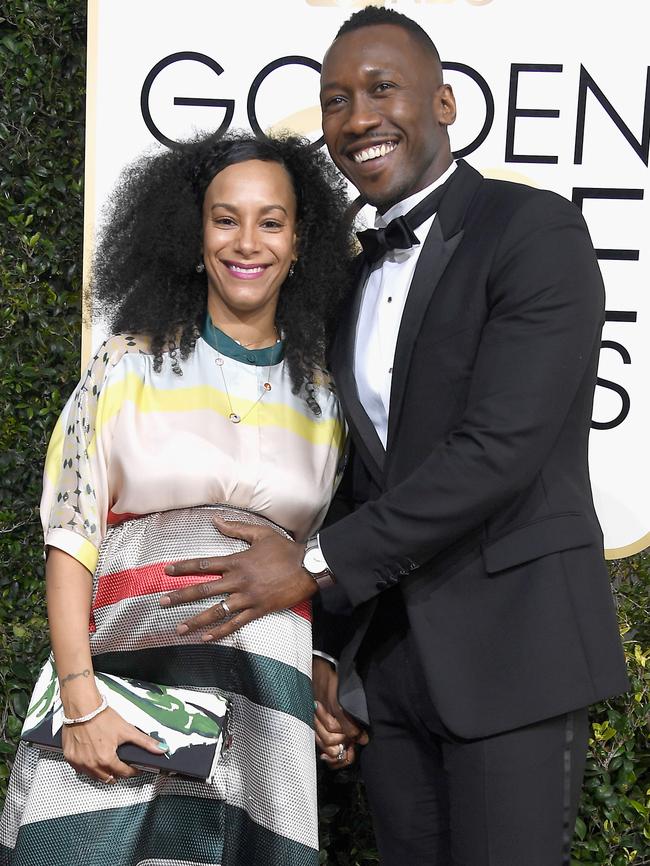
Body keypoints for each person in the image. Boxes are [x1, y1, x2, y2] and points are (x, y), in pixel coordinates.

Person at [160, 8, 630, 866]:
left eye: (382, 89)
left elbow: (499, 452)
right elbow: (355, 476)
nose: (357, 119)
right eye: (335, 100)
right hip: (392, 674)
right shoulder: (342, 272)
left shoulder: (535, 234)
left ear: (445, 102)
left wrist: (305, 566)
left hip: (513, 653)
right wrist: (330, 649)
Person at [0, 132, 352, 866]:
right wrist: (79, 699)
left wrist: (323, 676)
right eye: (225, 219)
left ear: (299, 243)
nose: (246, 242)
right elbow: (70, 532)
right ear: (194, 236)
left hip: (266, 714)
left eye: (271, 221)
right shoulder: (129, 362)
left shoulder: (322, 395)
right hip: (124, 700)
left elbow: (322, 560)